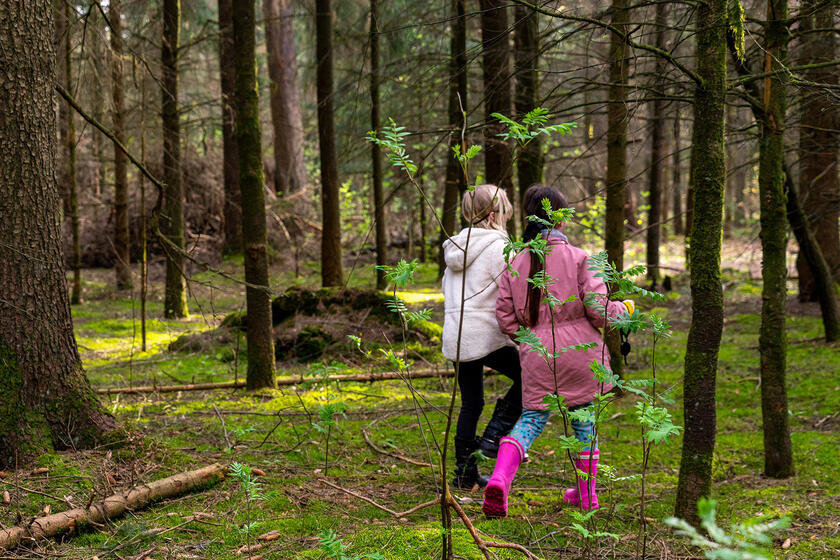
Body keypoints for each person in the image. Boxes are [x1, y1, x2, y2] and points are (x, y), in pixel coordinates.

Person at [481, 185, 633, 516]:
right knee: (583, 420)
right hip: (582, 356)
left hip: (536, 358)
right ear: (561, 221)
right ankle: (586, 495)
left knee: (531, 418)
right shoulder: (581, 259)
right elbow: (599, 310)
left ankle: (500, 480)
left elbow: (505, 318)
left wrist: (531, 342)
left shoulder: (516, 263)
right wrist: (625, 309)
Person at [442, 184, 523, 489]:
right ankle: (493, 437)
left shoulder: (456, 247)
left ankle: (465, 475)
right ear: (493, 214)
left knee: (471, 402)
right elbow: (512, 294)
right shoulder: (501, 247)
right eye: (504, 212)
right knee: (530, 376)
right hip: (485, 334)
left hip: (458, 336)